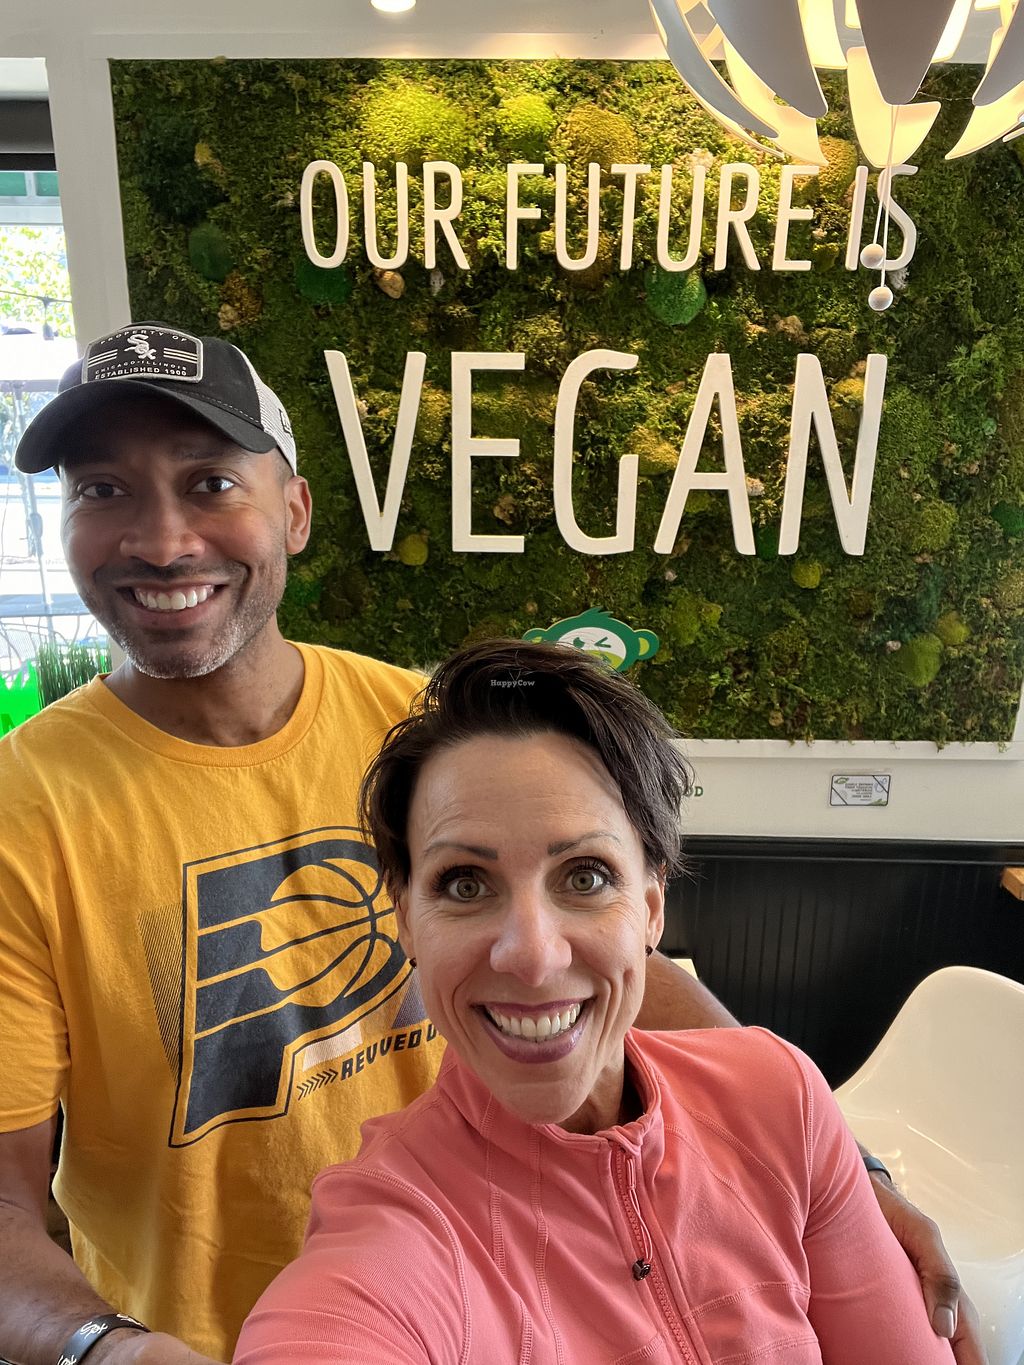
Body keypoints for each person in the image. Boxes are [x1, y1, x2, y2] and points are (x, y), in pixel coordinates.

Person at [0, 324, 981, 1365]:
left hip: (541, 1294)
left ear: (294, 510)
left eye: (209, 483)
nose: (161, 542)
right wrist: (112, 1349)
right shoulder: (23, 811)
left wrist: (839, 1169)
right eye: (101, 489)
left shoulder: (416, 729)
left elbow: (614, 970)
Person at [235, 640, 961, 1365]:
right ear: (405, 921)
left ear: (651, 907)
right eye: (465, 883)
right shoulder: (395, 1229)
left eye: (584, 876)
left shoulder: (780, 1098)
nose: (532, 954)